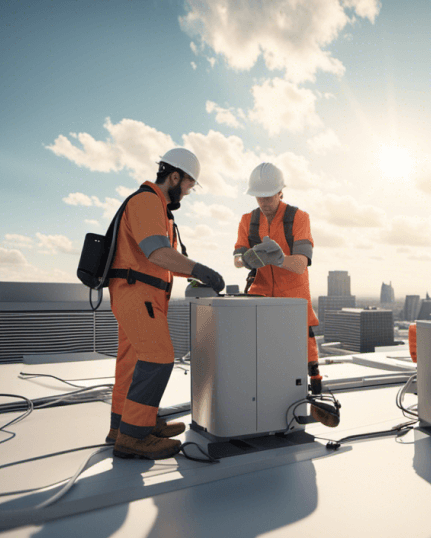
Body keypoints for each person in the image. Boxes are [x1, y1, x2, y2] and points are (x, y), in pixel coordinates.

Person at [107, 148, 225, 459]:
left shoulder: (158, 208)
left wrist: (191, 274)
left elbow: (163, 260)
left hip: (140, 293)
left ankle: (123, 426)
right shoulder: (146, 201)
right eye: (188, 184)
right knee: (159, 357)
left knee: (132, 363)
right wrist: (200, 269)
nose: (188, 191)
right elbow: (157, 253)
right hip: (138, 293)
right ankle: (134, 438)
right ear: (175, 176)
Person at [234, 162, 322, 393]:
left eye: (269, 196)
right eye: (259, 197)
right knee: (260, 355)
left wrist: (281, 259)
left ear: (281, 192)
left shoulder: (298, 218)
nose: (264, 202)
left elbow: (301, 263)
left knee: (300, 355)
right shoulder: (248, 221)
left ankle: (313, 388)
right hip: (260, 298)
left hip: (293, 299)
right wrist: (248, 260)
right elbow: (237, 258)